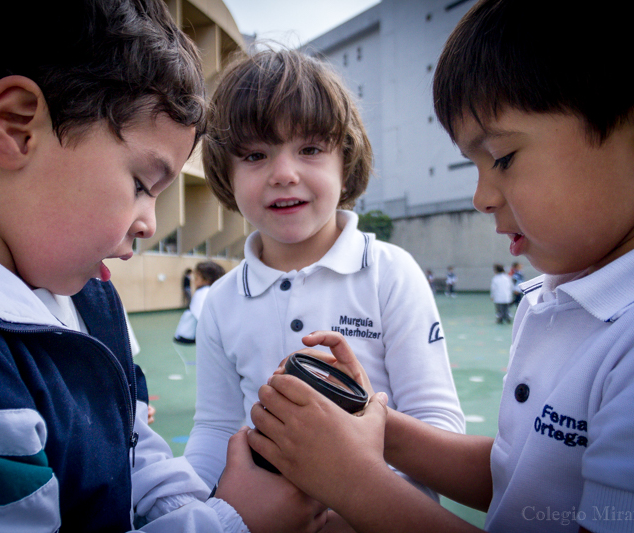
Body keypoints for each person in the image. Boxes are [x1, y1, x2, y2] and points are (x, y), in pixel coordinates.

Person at [0, 1, 329, 531]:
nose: (148, 224)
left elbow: (132, 446)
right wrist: (232, 522)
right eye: (142, 184)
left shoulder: (90, 297)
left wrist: (192, 510)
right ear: (16, 126)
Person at [247, 0, 634, 531]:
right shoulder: (558, 297)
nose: (480, 196)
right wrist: (374, 421)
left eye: (501, 158)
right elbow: (518, 477)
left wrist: (352, 480)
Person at [184, 47, 464, 501]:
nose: (284, 173)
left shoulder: (389, 273)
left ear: (346, 160)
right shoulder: (221, 299)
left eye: (310, 149)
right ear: (225, 173)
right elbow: (215, 427)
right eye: (255, 155)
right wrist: (191, 508)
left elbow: (437, 421)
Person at [174, 261, 226, 344]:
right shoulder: (210, 291)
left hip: (193, 336)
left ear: (207, 279)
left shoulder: (203, 293)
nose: (194, 282)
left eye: (196, 278)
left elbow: (202, 317)